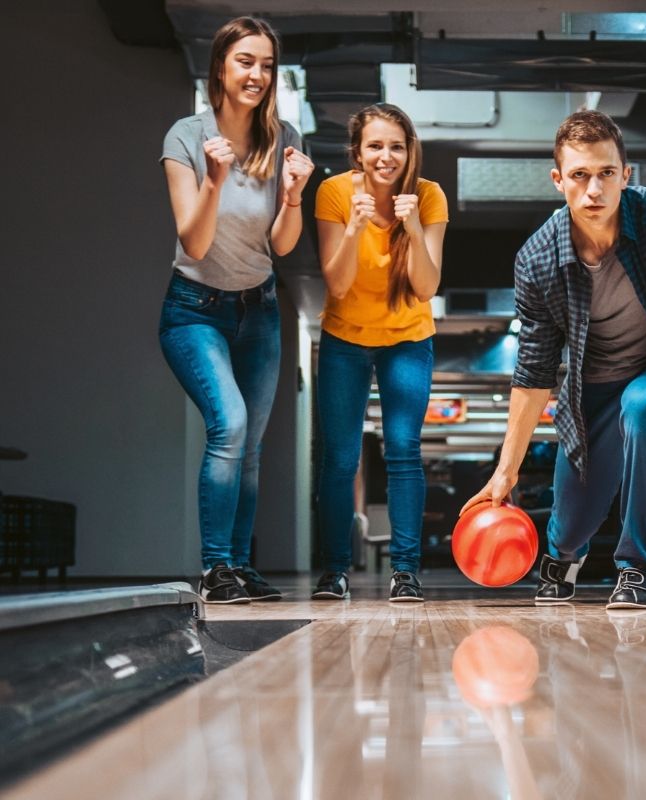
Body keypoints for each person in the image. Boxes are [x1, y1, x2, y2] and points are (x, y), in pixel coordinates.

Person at [461, 110, 646, 610]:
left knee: (641, 408)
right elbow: (533, 371)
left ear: (626, 175)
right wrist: (505, 471)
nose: (593, 189)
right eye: (579, 175)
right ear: (558, 181)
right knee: (571, 523)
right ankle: (562, 556)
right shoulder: (537, 259)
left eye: (605, 173)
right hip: (591, 390)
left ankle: (637, 570)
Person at [159, 16, 313, 604]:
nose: (257, 74)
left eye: (268, 64)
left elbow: (282, 245)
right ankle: (215, 568)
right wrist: (215, 178)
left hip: (262, 311)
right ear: (220, 65)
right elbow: (193, 243)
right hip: (194, 311)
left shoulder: (285, 136)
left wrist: (294, 193)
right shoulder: (186, 137)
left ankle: (240, 568)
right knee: (230, 425)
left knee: (249, 448)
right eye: (246, 61)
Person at [312, 103, 448, 602]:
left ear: (410, 150)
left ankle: (406, 571)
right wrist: (353, 227)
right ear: (357, 152)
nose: (386, 156)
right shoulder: (333, 193)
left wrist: (411, 228)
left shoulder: (429, 196)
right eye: (375, 145)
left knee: (404, 451)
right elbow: (338, 282)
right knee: (340, 457)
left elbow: (426, 287)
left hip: (407, 338)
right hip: (345, 337)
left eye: (396, 145)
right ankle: (334, 570)